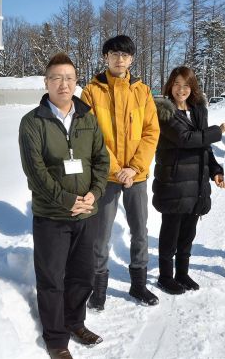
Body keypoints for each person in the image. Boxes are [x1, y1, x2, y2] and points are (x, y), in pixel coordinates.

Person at [19, 53, 110, 359]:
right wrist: (68, 200)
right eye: (57, 78)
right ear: (46, 82)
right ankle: (56, 338)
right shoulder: (32, 122)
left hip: (87, 213)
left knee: (82, 275)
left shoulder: (87, 117)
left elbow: (101, 159)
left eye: (69, 78)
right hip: (52, 216)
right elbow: (36, 172)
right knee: (52, 279)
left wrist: (94, 193)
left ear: (76, 82)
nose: (64, 84)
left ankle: (75, 321)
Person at [81, 35, 160, 309]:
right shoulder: (91, 91)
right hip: (106, 176)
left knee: (140, 231)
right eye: (114, 54)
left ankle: (139, 285)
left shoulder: (143, 91)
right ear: (106, 57)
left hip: (136, 177)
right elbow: (90, 135)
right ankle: (98, 288)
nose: (119, 59)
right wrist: (116, 169)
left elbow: (152, 132)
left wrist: (134, 168)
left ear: (132, 59)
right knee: (100, 234)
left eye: (125, 55)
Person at [153, 66, 225, 295]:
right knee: (170, 232)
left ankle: (182, 273)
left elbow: (203, 145)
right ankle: (165, 277)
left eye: (186, 85)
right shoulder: (164, 112)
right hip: (174, 180)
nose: (181, 89)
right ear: (170, 85)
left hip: (196, 182)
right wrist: (219, 130)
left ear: (192, 87)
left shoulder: (197, 111)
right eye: (177, 84)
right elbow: (186, 139)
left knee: (189, 232)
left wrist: (215, 170)